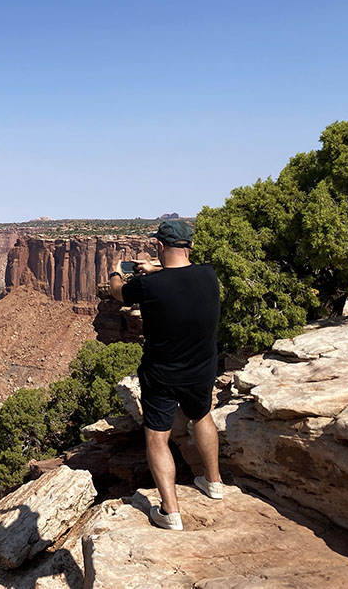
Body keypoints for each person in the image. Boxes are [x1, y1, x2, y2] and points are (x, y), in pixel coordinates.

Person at [108, 220, 223, 531]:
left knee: (157, 437)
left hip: (161, 373)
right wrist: (156, 267)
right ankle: (213, 482)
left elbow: (119, 293)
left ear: (159, 246)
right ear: (192, 246)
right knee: (202, 415)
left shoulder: (148, 286)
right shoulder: (209, 275)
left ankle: (170, 512)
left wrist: (115, 270)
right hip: (202, 367)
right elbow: (182, 273)